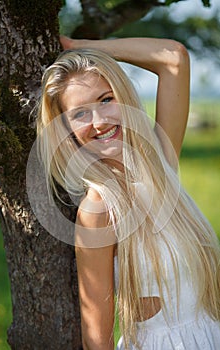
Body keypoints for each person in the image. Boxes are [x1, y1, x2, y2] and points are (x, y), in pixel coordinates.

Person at [37, 36, 220, 349]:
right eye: (80, 114)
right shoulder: (98, 209)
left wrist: (79, 47)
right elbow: (97, 336)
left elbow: (174, 58)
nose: (99, 121)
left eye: (106, 99)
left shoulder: (160, 163)